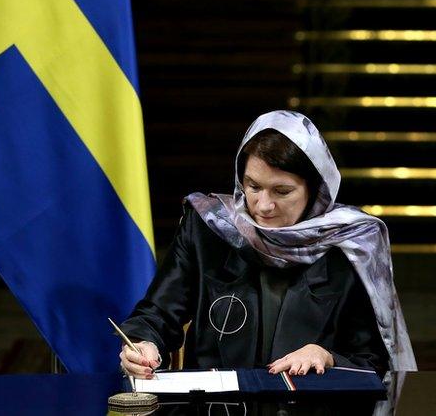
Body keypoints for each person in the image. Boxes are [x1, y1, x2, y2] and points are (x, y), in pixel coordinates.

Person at [119, 110, 417, 378]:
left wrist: (327, 356)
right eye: (253, 186)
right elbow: (157, 314)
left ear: (316, 191)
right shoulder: (210, 228)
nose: (263, 206)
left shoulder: (351, 245)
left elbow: (375, 360)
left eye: (282, 191)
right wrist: (144, 343)